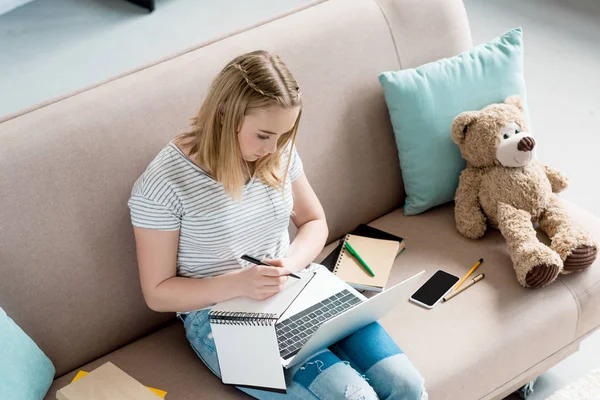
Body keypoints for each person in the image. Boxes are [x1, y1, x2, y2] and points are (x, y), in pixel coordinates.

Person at [128, 50, 427, 400]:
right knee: (353, 397)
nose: (274, 149)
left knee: (406, 385)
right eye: (264, 136)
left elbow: (314, 221)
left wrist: (290, 265)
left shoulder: (277, 150)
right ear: (226, 115)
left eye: (283, 136)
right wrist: (240, 283)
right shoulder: (163, 184)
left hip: (296, 288)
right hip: (218, 316)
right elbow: (157, 292)